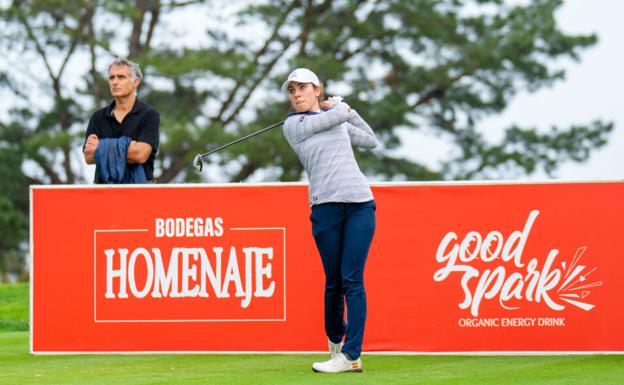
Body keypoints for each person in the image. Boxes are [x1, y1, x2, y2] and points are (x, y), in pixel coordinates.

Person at [282, 68, 378, 373]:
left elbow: (370, 139)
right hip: (325, 206)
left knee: (353, 279)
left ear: (317, 89)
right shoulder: (293, 125)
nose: (297, 94)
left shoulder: (336, 119)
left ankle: (351, 356)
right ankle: (336, 342)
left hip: (360, 204)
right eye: (292, 90)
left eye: (302, 88)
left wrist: (350, 111)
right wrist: (339, 107)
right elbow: (333, 117)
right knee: (334, 281)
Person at [83, 57, 159, 183]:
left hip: (140, 193)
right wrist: (129, 147)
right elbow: (89, 156)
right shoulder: (98, 117)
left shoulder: (149, 115)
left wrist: (100, 147)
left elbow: (141, 155)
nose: (115, 82)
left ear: (136, 82)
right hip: (104, 194)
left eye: (121, 77)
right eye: (111, 78)